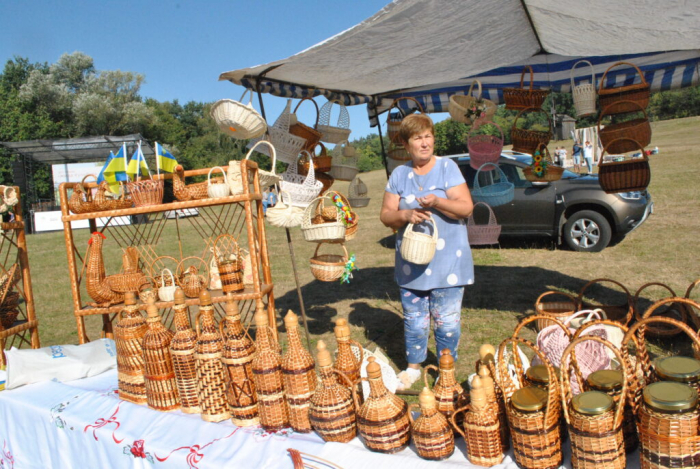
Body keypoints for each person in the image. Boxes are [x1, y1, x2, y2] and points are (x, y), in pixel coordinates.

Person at [380, 113, 474, 390]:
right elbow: (386, 215)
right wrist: (405, 214)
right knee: (414, 320)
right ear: (407, 145)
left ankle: (446, 370)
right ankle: (413, 368)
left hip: (449, 263)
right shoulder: (399, 174)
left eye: (428, 136)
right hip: (412, 263)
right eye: (417, 138)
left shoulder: (447, 167)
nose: (424, 143)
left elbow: (466, 208)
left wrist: (438, 201)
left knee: (446, 322)